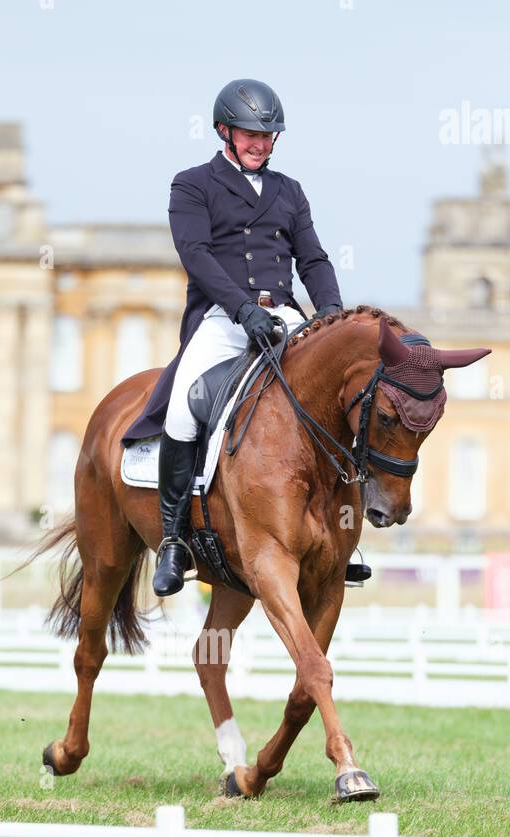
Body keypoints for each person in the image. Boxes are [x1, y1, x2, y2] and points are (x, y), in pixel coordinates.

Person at [120, 78, 344, 596]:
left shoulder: (290, 191)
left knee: (337, 395)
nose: (259, 145)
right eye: (249, 135)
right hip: (221, 318)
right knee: (180, 407)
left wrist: (330, 314)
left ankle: (336, 536)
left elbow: (311, 258)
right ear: (224, 131)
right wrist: (242, 310)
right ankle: (174, 539)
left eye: (267, 137)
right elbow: (196, 255)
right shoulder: (193, 184)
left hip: (283, 315)